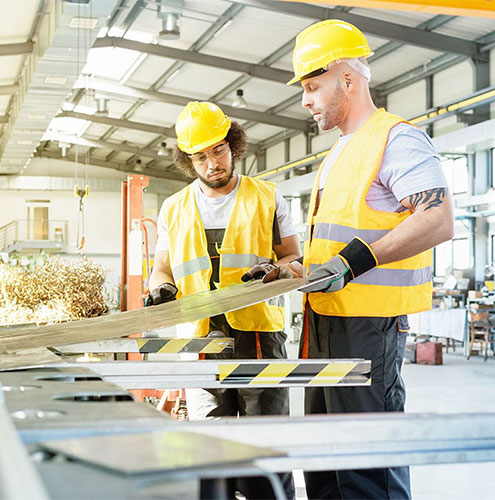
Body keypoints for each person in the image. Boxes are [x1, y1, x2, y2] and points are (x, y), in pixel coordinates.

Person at [264, 19, 454, 499]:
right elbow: (335, 245)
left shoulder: (396, 138)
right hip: (322, 325)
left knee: (368, 466)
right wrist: (293, 270)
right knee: (326, 464)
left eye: (312, 86)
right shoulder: (336, 154)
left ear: (348, 79)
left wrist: (351, 263)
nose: (305, 100)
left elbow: (437, 219)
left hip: (369, 330)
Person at [148, 101, 300, 499]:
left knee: (262, 441)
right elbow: (161, 268)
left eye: (218, 150)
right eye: (200, 156)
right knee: (208, 442)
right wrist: (160, 288)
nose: (212, 162)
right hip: (199, 338)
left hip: (259, 333)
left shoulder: (268, 198)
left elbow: (293, 256)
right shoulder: (173, 208)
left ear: (232, 144)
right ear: (189, 160)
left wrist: (277, 268)